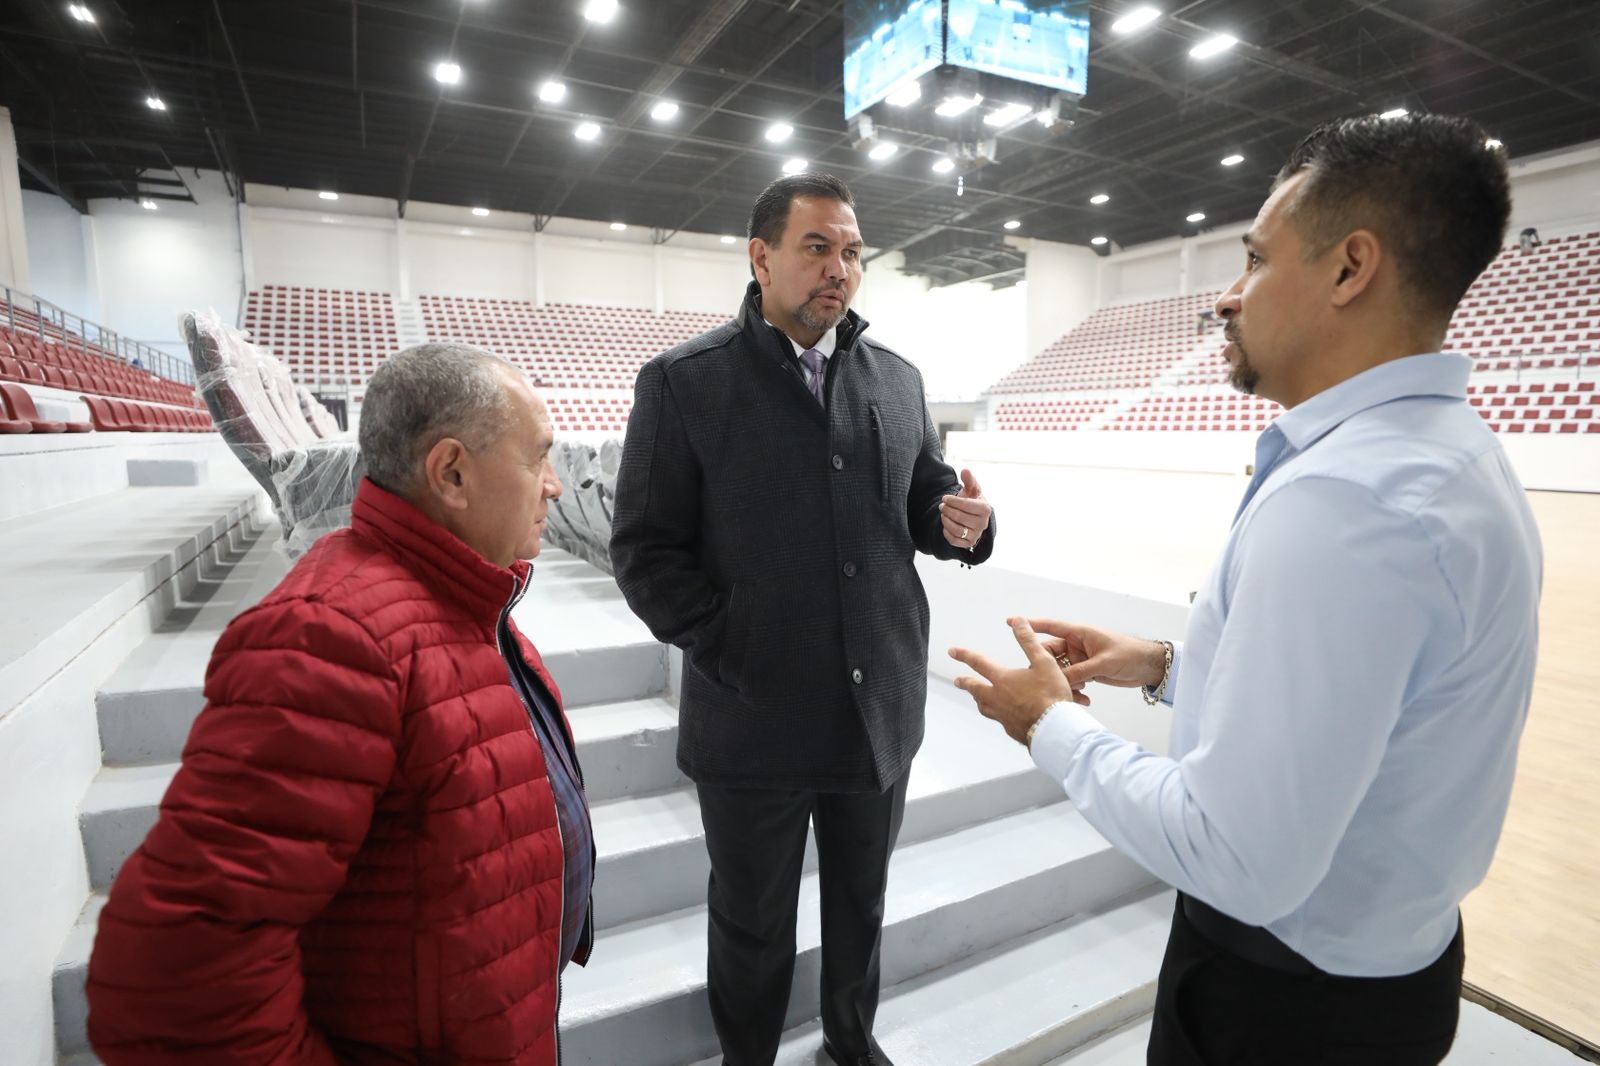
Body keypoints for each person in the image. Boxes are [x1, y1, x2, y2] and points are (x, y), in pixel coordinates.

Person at [950, 113, 1540, 1065]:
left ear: (1352, 269)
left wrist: (1047, 724)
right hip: (1391, 979)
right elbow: (1370, 710)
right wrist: (1171, 666)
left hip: (1282, 1009)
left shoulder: (1348, 503)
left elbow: (1239, 858)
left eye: (1256, 261)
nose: (1228, 297)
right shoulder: (1452, 457)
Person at [86, 343, 594, 1065]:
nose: (554, 486)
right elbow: (175, 976)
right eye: (538, 458)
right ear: (451, 472)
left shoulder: (464, 593)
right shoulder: (327, 638)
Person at [610, 172, 996, 1066]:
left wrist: (961, 526)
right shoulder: (684, 384)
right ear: (762, 257)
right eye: (818, 247)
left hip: (878, 712)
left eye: (853, 251)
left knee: (861, 903)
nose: (840, 269)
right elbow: (646, 551)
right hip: (753, 716)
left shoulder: (897, 380)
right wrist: (732, 644)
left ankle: (850, 1043)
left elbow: (924, 498)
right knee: (752, 923)